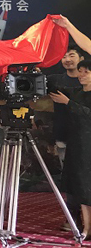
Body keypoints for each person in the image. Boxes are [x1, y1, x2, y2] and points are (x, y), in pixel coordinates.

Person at [50, 59, 91, 241]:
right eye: (80, 71)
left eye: (86, 72)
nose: (81, 75)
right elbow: (57, 90)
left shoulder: (73, 98)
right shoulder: (76, 93)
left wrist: (69, 103)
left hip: (88, 145)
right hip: (77, 144)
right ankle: (86, 227)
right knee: (80, 186)